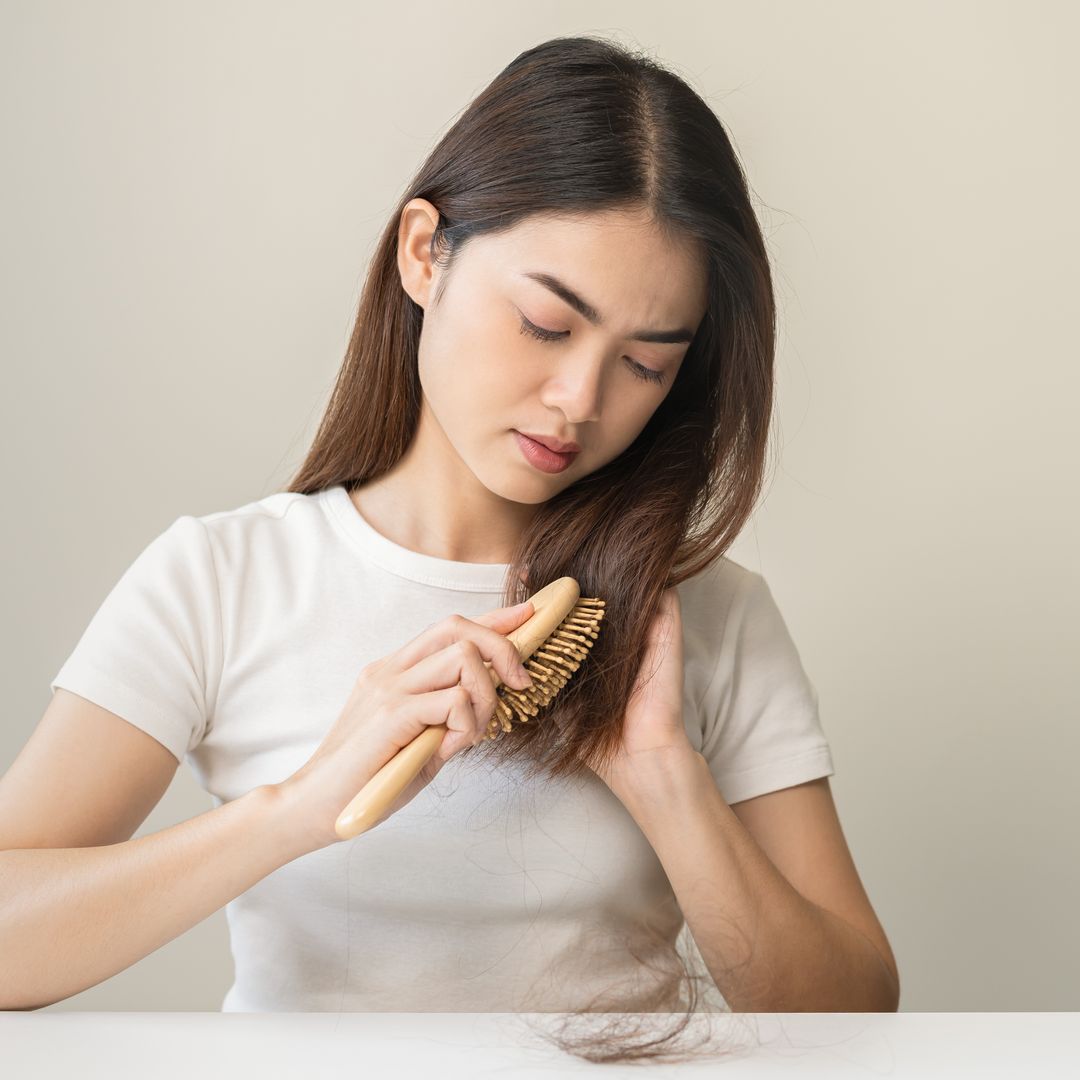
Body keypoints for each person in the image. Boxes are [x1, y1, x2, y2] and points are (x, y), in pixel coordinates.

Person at [0, 35, 897, 1064]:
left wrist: (662, 775)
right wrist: (295, 810)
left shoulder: (706, 613)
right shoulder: (223, 579)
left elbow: (855, 1016)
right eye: (546, 325)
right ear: (424, 253)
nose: (581, 402)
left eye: (645, 364)